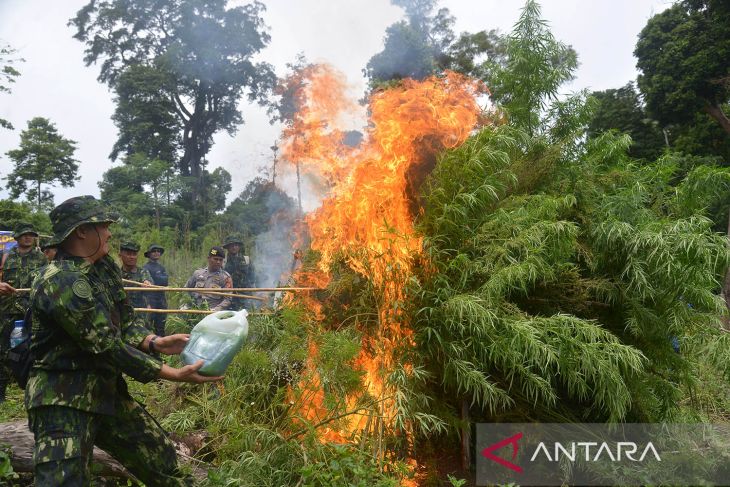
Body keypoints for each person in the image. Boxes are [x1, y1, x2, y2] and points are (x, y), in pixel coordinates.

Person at [26, 195, 221, 486]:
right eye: (103, 226)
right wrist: (170, 373)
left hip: (105, 391)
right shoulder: (59, 279)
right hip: (62, 399)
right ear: (82, 231)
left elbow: (126, 321)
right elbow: (104, 343)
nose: (109, 233)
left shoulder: (104, 268)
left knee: (161, 459)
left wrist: (156, 342)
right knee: (64, 480)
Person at [0, 223, 47, 402]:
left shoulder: (41, 258)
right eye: (24, 234)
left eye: (30, 235)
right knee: (4, 350)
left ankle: (33, 390)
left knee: (34, 349)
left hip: (31, 310)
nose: (27, 237)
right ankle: (1, 391)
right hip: (8, 310)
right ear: (17, 237)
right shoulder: (5, 256)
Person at [185, 246, 233, 311]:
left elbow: (228, 299)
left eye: (220, 260)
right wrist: (187, 304)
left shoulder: (225, 277)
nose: (218, 262)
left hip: (212, 313)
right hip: (195, 311)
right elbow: (186, 289)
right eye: (216, 259)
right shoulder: (198, 273)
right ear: (209, 258)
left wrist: (216, 309)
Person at [143, 244, 169, 337]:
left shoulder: (161, 267)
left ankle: (162, 346)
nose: (156, 253)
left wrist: (159, 279)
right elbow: (149, 283)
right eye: (154, 251)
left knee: (161, 325)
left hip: (161, 299)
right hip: (150, 299)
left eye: (158, 251)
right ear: (149, 254)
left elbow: (165, 281)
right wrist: (147, 303)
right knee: (148, 325)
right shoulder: (146, 268)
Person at [222, 234, 254, 308]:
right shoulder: (223, 262)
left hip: (246, 296)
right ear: (227, 247)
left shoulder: (247, 260)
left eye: (236, 245)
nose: (234, 247)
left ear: (239, 246)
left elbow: (253, 277)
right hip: (229, 297)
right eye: (231, 245)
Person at [119, 241, 153, 311]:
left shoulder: (143, 272)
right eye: (128, 254)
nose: (132, 257)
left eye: (134, 254)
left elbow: (147, 280)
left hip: (140, 315)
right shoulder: (117, 274)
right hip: (122, 314)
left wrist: (147, 283)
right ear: (120, 255)